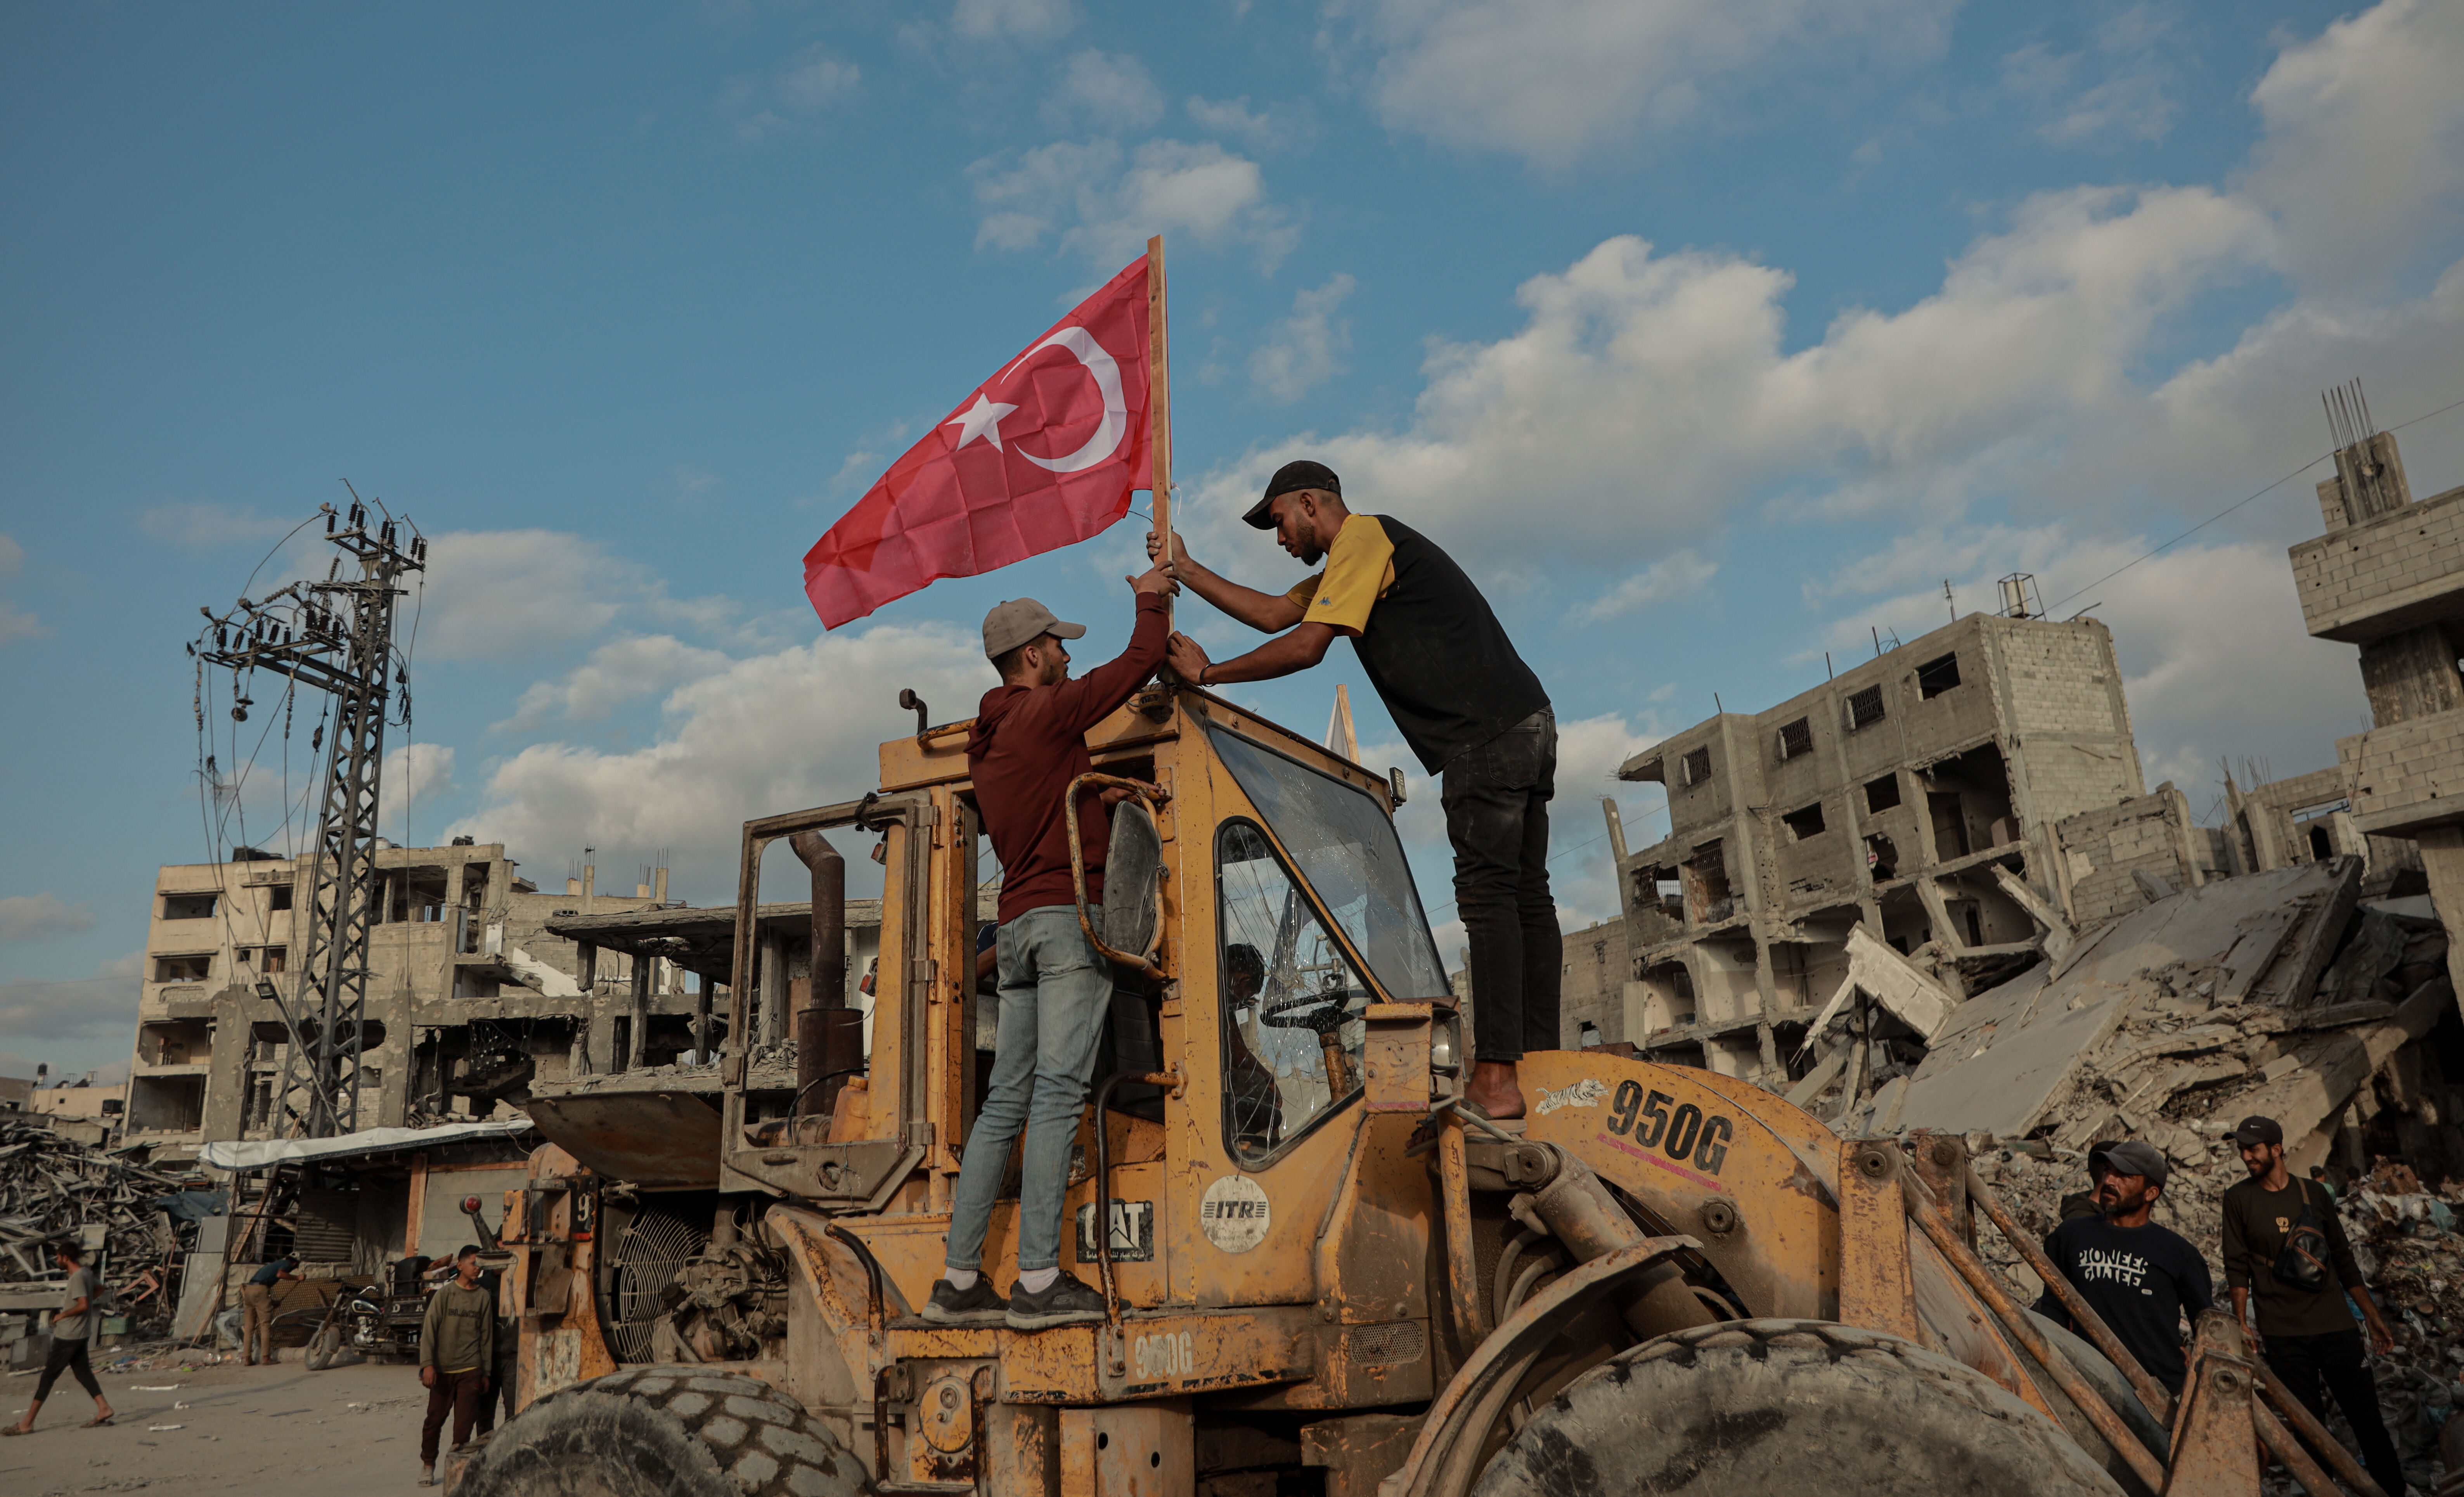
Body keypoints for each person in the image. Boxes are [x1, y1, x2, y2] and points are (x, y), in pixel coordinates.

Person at [1152, 460, 1558, 1121]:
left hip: (1483, 735)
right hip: (1524, 721)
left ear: (1311, 503)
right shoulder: (1359, 560)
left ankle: (1499, 1077)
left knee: (1489, 898)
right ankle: (1540, 1063)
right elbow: (1275, 613)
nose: (1280, 538)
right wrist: (1186, 569)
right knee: (1526, 895)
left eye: (1280, 521)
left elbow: (1307, 645)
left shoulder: (1364, 538)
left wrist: (1210, 674)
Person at [926, 567, 1173, 1333]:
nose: (1067, 658)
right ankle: (1036, 1282)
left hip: (1022, 928)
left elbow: (1043, 808)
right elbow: (1139, 661)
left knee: (1007, 1101)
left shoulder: (988, 742)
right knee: (1061, 1094)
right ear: (1032, 656)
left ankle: (959, 1282)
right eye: (1058, 648)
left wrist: (1096, 793)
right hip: (1069, 925)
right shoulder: (1045, 716)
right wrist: (1152, 594)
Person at [2222, 1115, 2403, 1496]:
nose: (2245, 1156)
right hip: (2283, 1332)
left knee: (2367, 1419)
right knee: (2309, 1428)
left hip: (2335, 1325)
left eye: (2252, 1148)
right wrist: (2241, 1323)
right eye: (2241, 1149)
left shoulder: (2315, 1194)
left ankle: (2392, 1491)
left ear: (2276, 1149)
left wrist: (2372, 1316)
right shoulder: (2239, 1199)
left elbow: (2342, 1257)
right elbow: (2236, 1266)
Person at [2033, 1140, 2213, 1396]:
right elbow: (2053, 1307)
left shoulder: (2178, 1253)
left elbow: (2206, 1328)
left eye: (2124, 1175)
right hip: (2089, 1383)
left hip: (2158, 1391)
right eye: (2107, 1170)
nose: (2109, 1179)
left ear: (2151, 1193)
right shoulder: (2072, 1235)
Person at [3, 1242, 114, 1435]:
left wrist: (63, 1315)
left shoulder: (78, 1278)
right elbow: (100, 1289)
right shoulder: (86, 1273)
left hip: (70, 1335)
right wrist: (82, 1308)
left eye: (58, 1257)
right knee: (83, 1373)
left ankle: (27, 1423)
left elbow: (84, 1305)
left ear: (66, 1258)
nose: (56, 1260)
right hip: (81, 1333)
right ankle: (104, 1408)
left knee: (48, 1377)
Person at [417, 1244, 497, 1486]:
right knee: (434, 1420)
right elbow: (429, 1331)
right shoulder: (445, 1295)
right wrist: (428, 1365)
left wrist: (486, 1372)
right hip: (442, 1370)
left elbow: (486, 1337)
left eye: (480, 1264)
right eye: (474, 1263)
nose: (477, 1268)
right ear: (460, 1265)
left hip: (470, 1369)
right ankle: (428, 1464)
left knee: (464, 1427)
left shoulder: (483, 1297)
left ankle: (457, 1471)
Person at [241, 1251, 300, 1365]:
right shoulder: (286, 1264)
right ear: (294, 1263)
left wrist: (272, 1303)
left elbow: (260, 1296)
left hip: (249, 1290)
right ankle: (266, 1358)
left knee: (249, 1328)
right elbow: (280, 1275)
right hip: (261, 1290)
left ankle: (248, 1359)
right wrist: (297, 1278)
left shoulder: (273, 1265)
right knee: (265, 1325)